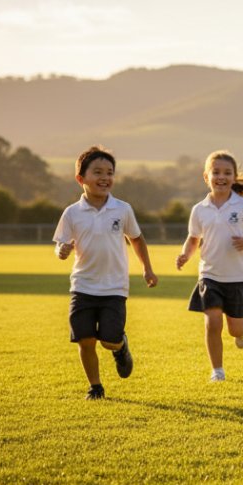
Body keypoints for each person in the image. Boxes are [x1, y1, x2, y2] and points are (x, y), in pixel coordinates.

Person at [53, 146, 157, 400]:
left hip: (114, 287)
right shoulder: (72, 213)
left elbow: (136, 238)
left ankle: (120, 347)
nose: (105, 177)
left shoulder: (122, 209)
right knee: (85, 340)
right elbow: (60, 245)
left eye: (110, 172)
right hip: (83, 286)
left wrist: (147, 268)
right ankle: (96, 386)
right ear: (81, 179)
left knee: (109, 340)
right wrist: (62, 250)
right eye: (97, 172)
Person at [175, 150, 243, 382]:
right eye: (216, 172)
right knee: (212, 322)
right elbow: (193, 238)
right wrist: (185, 254)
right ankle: (217, 371)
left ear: (234, 177)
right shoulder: (199, 209)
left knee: (235, 331)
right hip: (209, 276)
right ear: (206, 177)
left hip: (237, 278)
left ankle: (242, 327)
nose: (221, 176)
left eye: (227, 173)